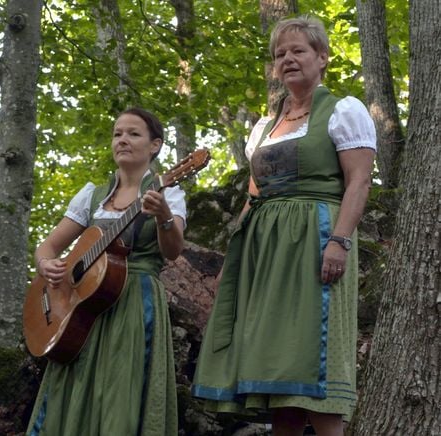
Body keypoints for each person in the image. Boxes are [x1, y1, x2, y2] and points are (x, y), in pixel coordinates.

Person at [191, 15, 377, 436]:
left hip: (314, 240)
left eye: (298, 51)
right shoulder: (264, 127)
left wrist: (340, 242)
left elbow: (359, 182)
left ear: (322, 57)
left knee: (312, 364)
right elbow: (253, 195)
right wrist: (233, 262)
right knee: (278, 379)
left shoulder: (343, 111)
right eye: (280, 54)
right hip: (264, 251)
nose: (288, 59)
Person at [26, 108, 185, 435]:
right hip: (79, 312)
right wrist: (48, 266)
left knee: (121, 395)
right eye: (117, 134)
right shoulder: (93, 195)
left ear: (155, 145)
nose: (122, 140)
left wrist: (163, 215)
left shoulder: (168, 191)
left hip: (134, 304)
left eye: (133, 134)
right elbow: (47, 247)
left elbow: (172, 251)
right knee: (70, 393)